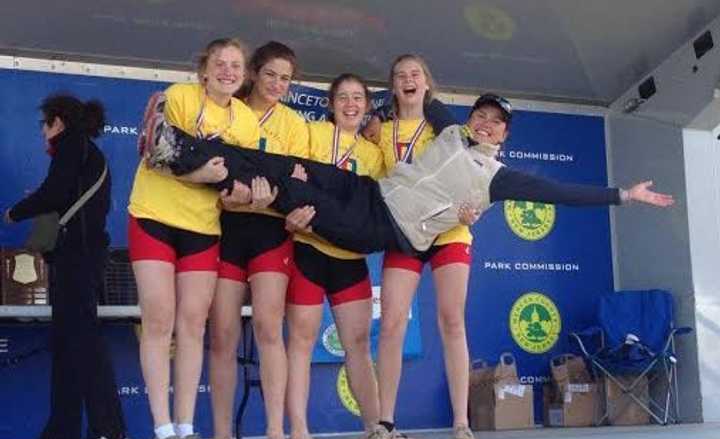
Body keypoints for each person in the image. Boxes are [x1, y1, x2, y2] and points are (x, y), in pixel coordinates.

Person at [139, 93, 673, 259]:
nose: (485, 124)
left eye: (496, 122)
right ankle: (176, 149)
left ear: (504, 135)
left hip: (381, 228)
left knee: (290, 190)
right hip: (370, 190)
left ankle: (202, 172)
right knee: (286, 166)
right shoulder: (449, 130)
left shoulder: (498, 176)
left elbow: (560, 192)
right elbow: (422, 90)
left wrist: (624, 195)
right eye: (482, 115)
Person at [127, 37, 260, 439]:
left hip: (203, 227)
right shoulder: (179, 97)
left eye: (236, 65)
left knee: (193, 326)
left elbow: (230, 186)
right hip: (153, 217)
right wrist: (200, 173)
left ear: (244, 75)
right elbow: (154, 151)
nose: (227, 71)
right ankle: (162, 431)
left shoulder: (246, 120)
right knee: (160, 318)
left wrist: (248, 196)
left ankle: (186, 429)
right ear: (204, 70)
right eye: (220, 63)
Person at [4, 94, 128, 439]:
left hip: (79, 255)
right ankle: (63, 430)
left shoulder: (72, 144)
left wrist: (16, 211)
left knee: (82, 341)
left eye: (44, 124)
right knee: (68, 343)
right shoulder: (84, 151)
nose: (43, 132)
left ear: (57, 122)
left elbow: (54, 193)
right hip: (74, 255)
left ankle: (109, 428)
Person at [369, 53, 477, 439]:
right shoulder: (378, 130)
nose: (408, 80)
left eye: (415, 74)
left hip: (449, 231)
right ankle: (385, 422)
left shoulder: (448, 127)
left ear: (427, 83)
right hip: (405, 234)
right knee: (393, 323)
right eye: (400, 76)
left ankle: (462, 421)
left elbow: (473, 173)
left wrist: (471, 208)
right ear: (393, 87)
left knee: (452, 321)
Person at [207, 41, 308, 439]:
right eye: (270, 75)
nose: (277, 84)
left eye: (285, 78)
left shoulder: (294, 124)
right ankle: (221, 435)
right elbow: (210, 171)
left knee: (269, 329)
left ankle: (275, 433)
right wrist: (230, 198)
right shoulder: (228, 109)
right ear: (253, 74)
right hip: (228, 229)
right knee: (223, 335)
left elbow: (299, 182)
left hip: (271, 233)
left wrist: (275, 199)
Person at [280, 74, 383, 439]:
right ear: (331, 103)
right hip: (307, 249)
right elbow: (290, 180)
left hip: (349, 259)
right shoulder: (310, 134)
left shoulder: (373, 155)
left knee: (357, 344)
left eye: (358, 98)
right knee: (301, 342)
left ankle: (376, 427)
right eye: (343, 97)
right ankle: (300, 431)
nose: (351, 104)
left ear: (367, 106)